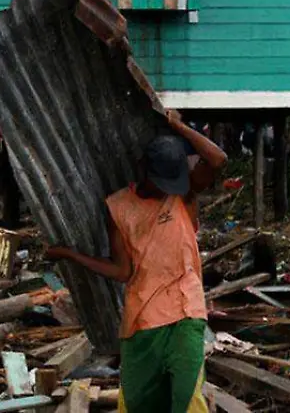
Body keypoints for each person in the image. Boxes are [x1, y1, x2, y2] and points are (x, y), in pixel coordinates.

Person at [45, 110, 226, 413]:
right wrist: (69, 255)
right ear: (144, 172)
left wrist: (177, 125)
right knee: (139, 404)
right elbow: (122, 270)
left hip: (186, 312)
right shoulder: (119, 207)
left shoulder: (185, 194)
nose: (167, 190)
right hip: (142, 319)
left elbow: (218, 160)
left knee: (189, 400)